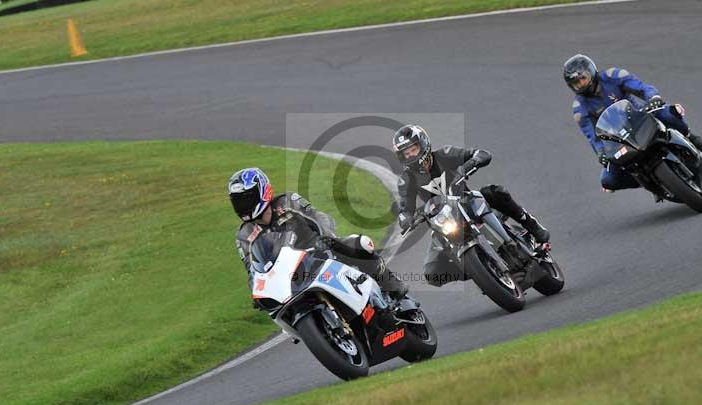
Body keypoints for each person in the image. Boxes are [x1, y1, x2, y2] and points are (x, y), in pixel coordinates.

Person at [392, 125, 549, 288]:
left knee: (494, 192)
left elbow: (481, 154)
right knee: (432, 273)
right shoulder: (406, 180)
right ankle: (482, 270)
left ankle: (531, 223)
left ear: (423, 144)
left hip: (466, 202)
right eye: (406, 153)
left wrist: (470, 164)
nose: (410, 154)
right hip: (442, 220)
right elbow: (405, 206)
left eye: (413, 149)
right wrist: (405, 218)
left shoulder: (444, 154)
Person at [229, 167, 408, 303]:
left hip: (318, 251)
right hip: (291, 277)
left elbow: (319, 216)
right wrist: (257, 291)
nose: (243, 205)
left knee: (358, 244)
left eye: (247, 198)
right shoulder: (244, 235)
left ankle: (392, 285)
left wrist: (326, 236)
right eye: (238, 201)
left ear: (263, 192)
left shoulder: (287, 201)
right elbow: (252, 269)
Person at [563, 53, 702, 192]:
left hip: (640, 117)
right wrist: (601, 153)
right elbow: (592, 137)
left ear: (592, 72)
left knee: (668, 112)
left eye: (583, 78)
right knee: (607, 180)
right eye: (576, 83)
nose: (581, 84)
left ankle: (691, 138)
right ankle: (649, 180)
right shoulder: (579, 109)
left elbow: (641, 87)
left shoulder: (613, 75)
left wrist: (653, 98)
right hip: (618, 139)